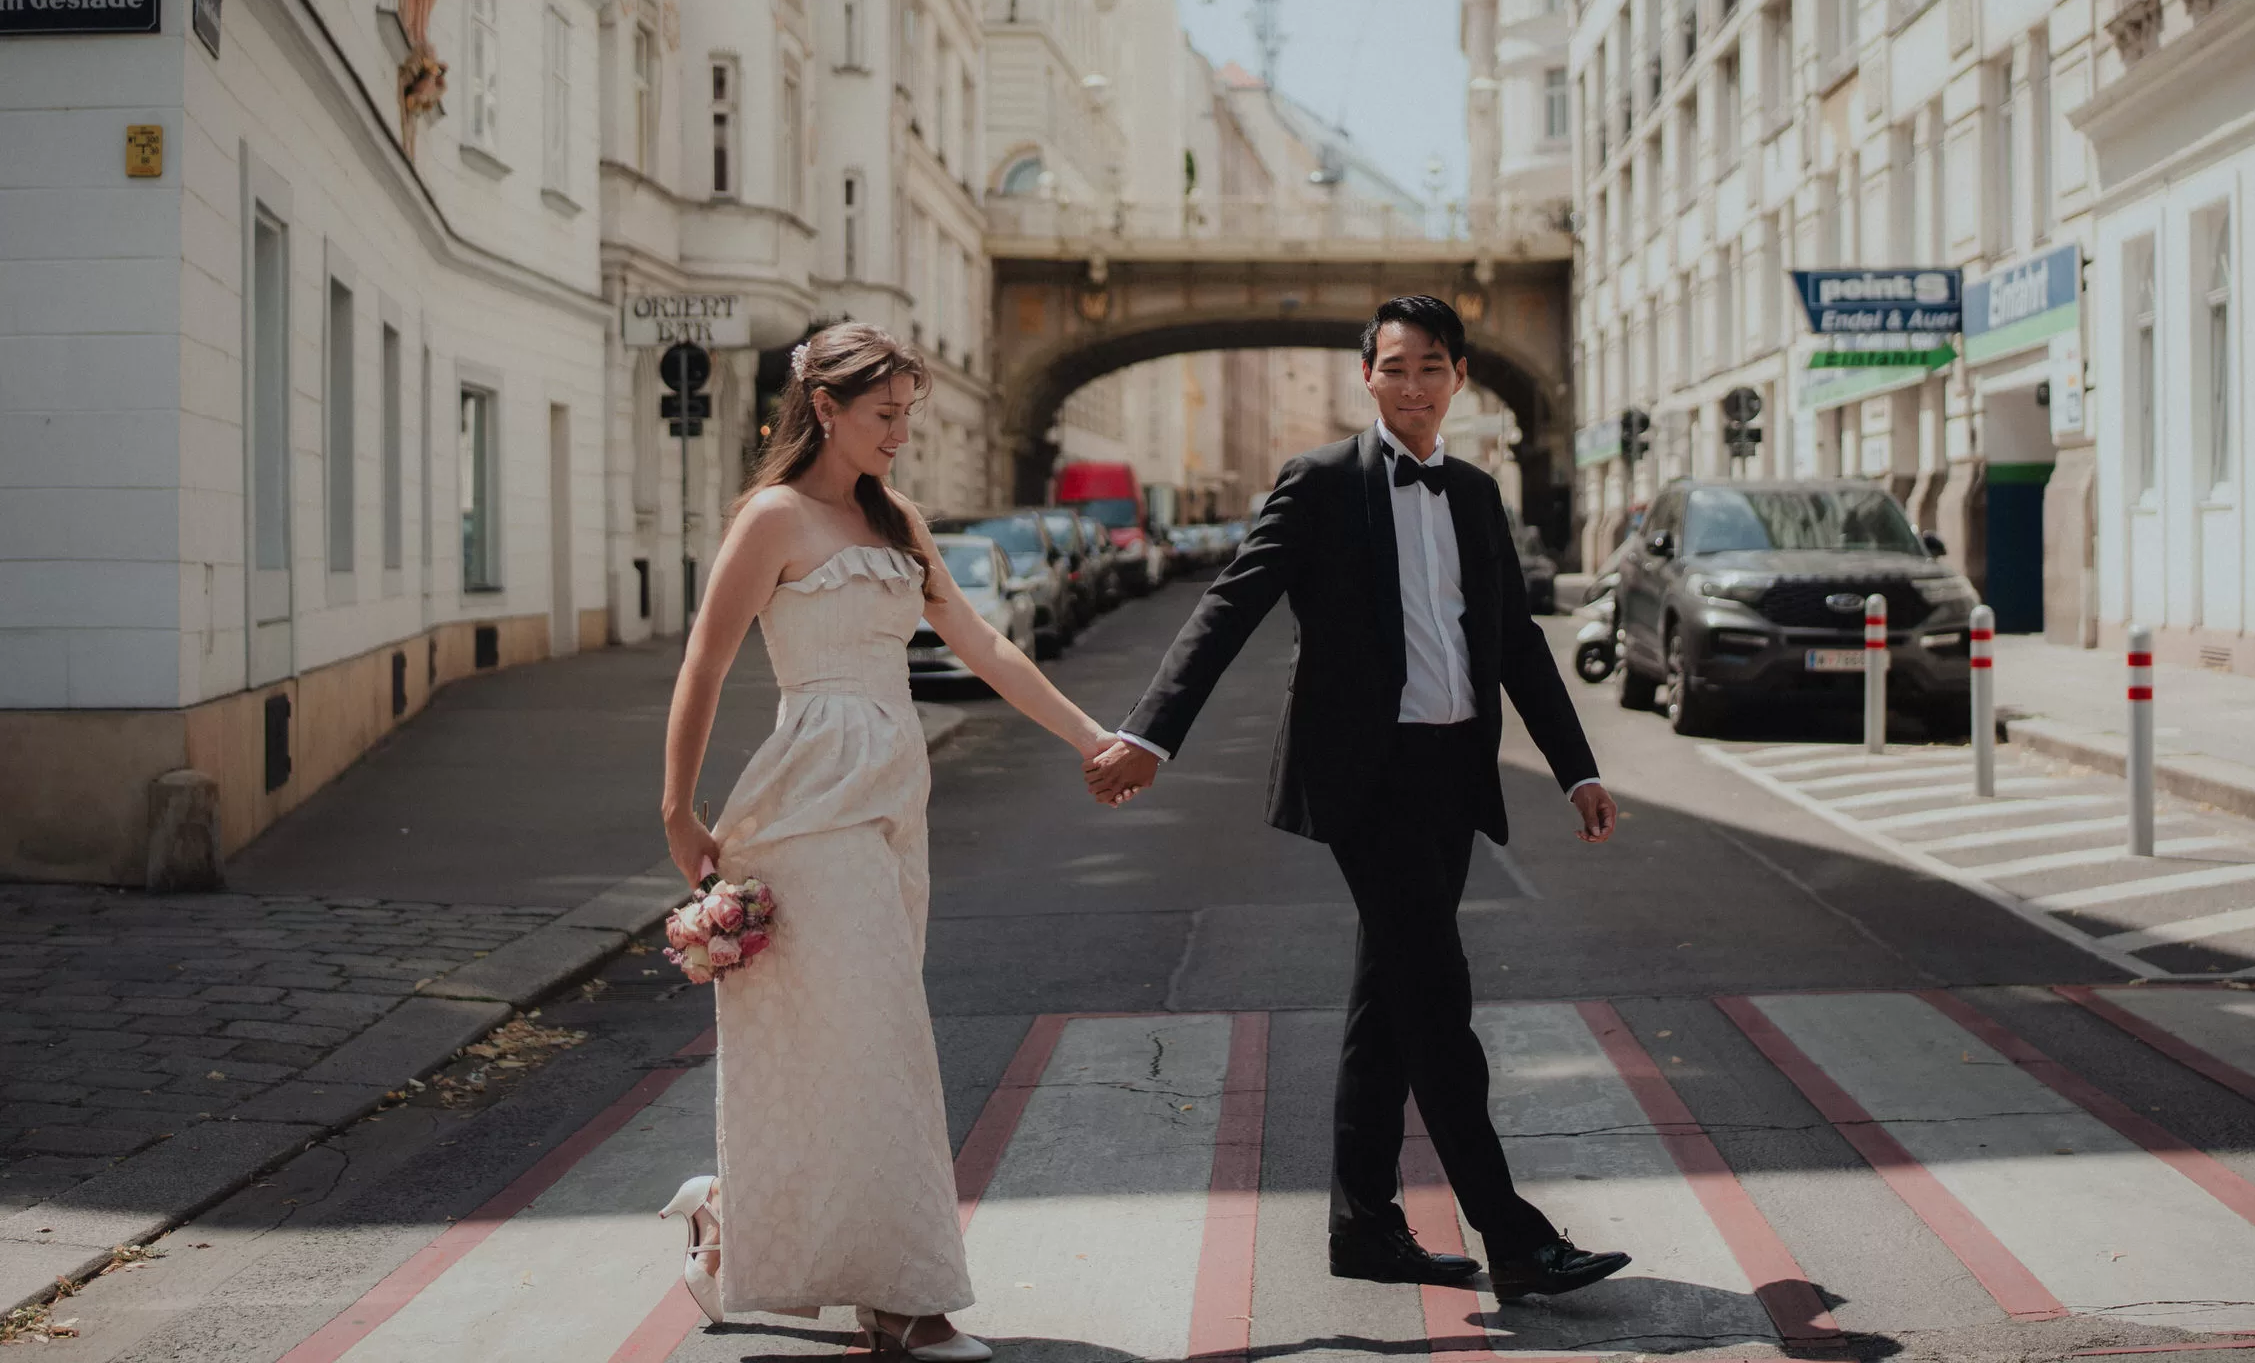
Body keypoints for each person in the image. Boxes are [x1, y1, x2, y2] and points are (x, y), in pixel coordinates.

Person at [1083, 295, 1631, 1303]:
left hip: (1455, 772)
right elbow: (1229, 602)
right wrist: (1151, 731)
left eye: (1432, 366)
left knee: (1389, 1003)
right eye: (1394, 367)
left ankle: (1365, 1226)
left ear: (1459, 376)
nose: (1413, 384)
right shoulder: (1322, 483)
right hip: (1364, 781)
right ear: (1366, 377)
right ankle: (1511, 1232)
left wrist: (1577, 766)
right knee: (1436, 997)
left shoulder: (1473, 491)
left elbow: (1514, 640)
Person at [657, 324, 1117, 1358]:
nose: (903, 434)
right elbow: (705, 663)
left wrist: (1093, 737)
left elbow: (984, 642)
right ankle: (907, 1298)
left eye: (909, 414)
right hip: (805, 805)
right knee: (884, 1045)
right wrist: (677, 812)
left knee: (848, 1044)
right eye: (885, 415)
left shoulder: (894, 516)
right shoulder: (772, 517)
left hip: (893, 801)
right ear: (825, 408)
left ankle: (730, 1220)